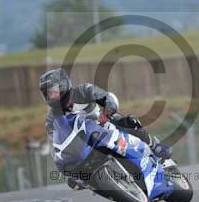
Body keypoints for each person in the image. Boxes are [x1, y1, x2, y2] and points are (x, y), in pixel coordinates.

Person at [39, 68, 172, 163]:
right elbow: (55, 144)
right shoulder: (52, 118)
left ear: (63, 85)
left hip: (102, 123)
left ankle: (154, 146)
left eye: (53, 91)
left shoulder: (83, 91)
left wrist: (107, 112)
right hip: (83, 143)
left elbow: (107, 97)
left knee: (127, 121)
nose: (51, 96)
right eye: (48, 94)